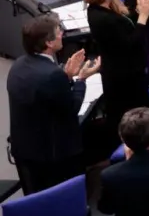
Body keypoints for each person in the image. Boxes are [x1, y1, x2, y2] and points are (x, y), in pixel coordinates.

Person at [8, 14, 98, 193]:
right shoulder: (51, 74)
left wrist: (67, 77)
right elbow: (72, 107)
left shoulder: (18, 65)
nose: (62, 34)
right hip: (54, 156)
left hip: (25, 151)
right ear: (48, 43)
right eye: (58, 32)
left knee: (35, 201)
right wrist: (80, 79)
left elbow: (44, 98)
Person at [85, 0, 149, 145]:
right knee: (133, 123)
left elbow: (127, 25)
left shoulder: (108, 8)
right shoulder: (101, 17)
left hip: (130, 72)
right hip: (123, 79)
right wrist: (144, 16)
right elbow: (129, 43)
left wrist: (139, 10)